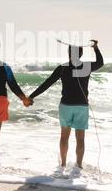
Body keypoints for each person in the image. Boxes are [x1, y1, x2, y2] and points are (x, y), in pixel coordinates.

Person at [28, 40, 103, 169]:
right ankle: (78, 166)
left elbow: (47, 83)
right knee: (80, 138)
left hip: (66, 105)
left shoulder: (62, 68)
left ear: (69, 53)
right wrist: (96, 48)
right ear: (81, 54)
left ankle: (63, 164)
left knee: (64, 136)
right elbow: (100, 63)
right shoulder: (86, 66)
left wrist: (31, 96)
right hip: (81, 106)